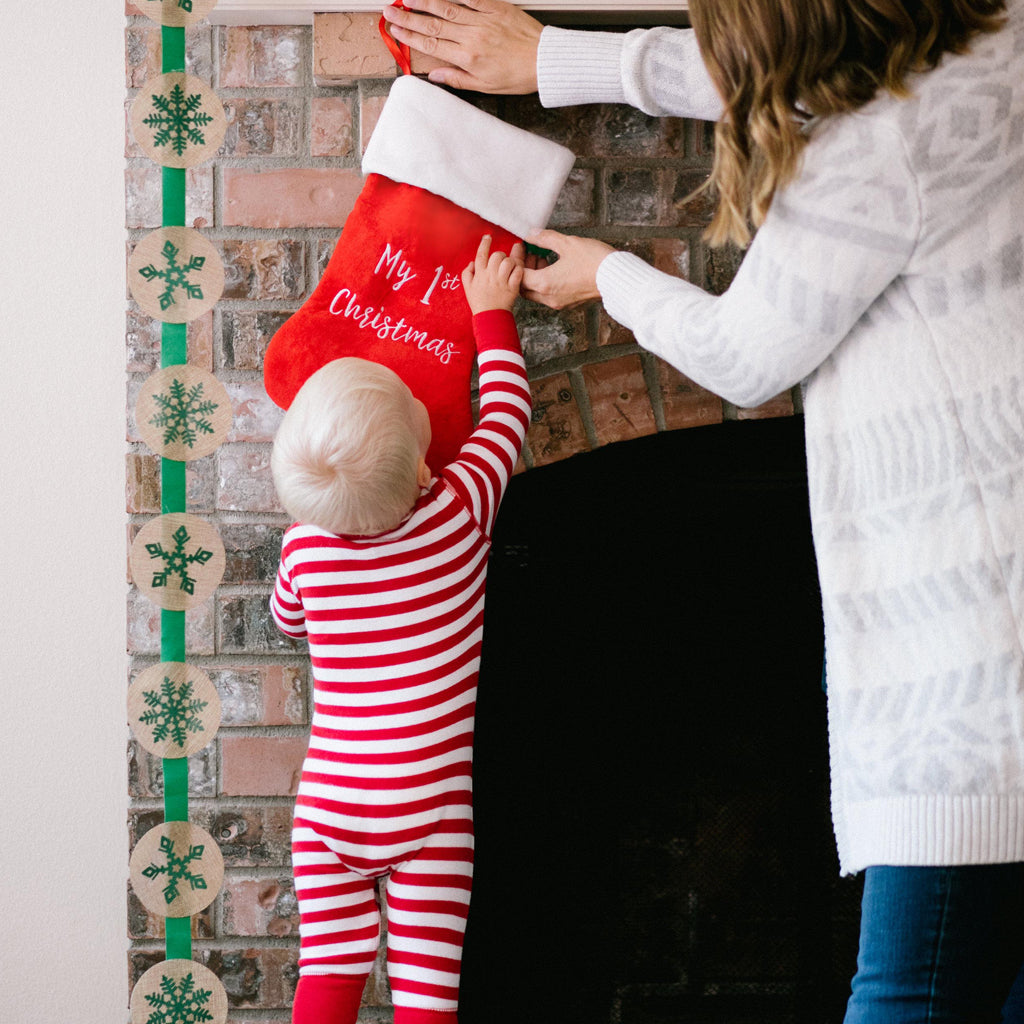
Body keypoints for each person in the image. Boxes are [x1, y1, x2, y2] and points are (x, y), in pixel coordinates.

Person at [381, 0, 1024, 1020]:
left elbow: (743, 354)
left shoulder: (872, 150)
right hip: (991, 627)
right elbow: (799, 65)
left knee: (907, 992)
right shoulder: (996, 38)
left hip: (969, 670)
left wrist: (610, 275)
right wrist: (559, 59)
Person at [269, 236, 531, 1024]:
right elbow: (507, 414)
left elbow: (287, 622)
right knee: (426, 997)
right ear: (422, 468)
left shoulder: (306, 549)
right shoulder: (459, 512)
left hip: (331, 808)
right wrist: (490, 313)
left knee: (328, 974)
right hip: (430, 812)